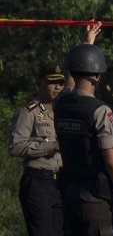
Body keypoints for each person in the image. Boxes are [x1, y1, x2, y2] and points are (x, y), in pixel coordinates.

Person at [54, 44, 113, 236]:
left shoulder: (60, 103)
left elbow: (69, 86)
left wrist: (87, 42)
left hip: (69, 193)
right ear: (97, 76)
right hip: (95, 199)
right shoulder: (100, 111)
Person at [8, 63, 66, 236]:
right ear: (40, 84)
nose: (58, 87)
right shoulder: (29, 112)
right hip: (38, 182)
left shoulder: (63, 111)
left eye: (61, 83)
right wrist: (51, 146)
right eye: (52, 82)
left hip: (61, 183)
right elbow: (15, 147)